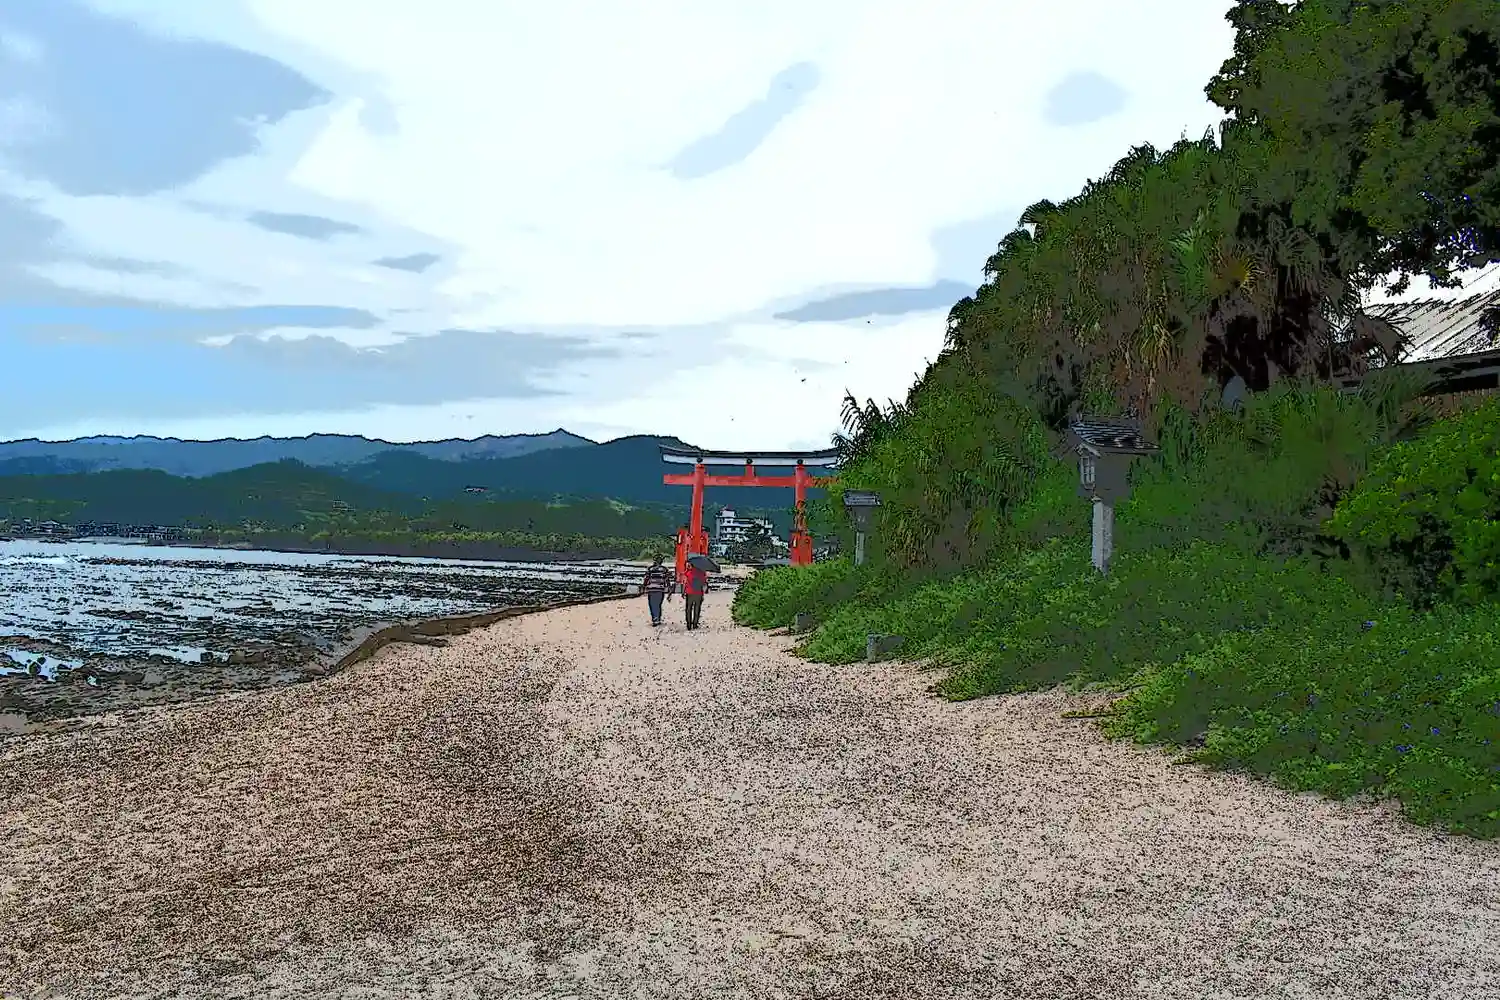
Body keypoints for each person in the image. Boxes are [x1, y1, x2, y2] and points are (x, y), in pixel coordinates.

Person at [641, 556, 673, 627]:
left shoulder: (650, 568)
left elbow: (646, 578)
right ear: (661, 562)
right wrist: (669, 591)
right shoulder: (664, 569)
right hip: (660, 589)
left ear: (654, 561)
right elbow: (667, 580)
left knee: (652, 604)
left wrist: (643, 587)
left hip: (651, 589)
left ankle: (655, 619)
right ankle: (657, 619)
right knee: (658, 604)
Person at [682, 559, 707, 630]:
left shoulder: (687, 572)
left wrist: (683, 592)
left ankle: (689, 625)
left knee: (688, 609)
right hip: (698, 593)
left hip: (689, 593)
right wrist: (703, 594)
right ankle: (695, 624)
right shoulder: (701, 573)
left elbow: (685, 583)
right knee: (697, 609)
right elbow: (704, 584)